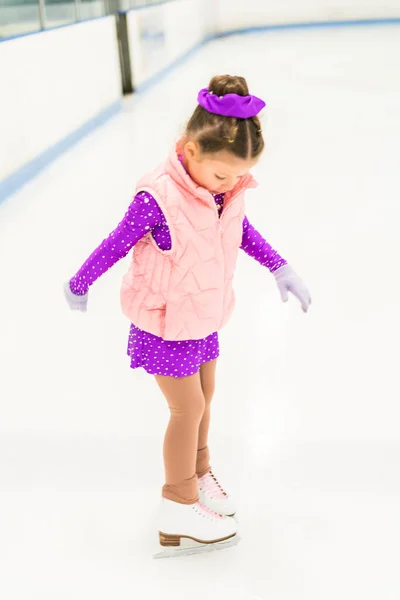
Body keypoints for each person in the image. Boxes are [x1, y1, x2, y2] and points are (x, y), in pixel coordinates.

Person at [64, 74, 311, 558]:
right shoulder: (156, 199)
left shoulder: (222, 190)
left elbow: (241, 232)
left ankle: (197, 478)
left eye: (239, 176)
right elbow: (115, 242)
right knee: (187, 408)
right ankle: (177, 504)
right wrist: (81, 280)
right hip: (163, 322)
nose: (232, 184)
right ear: (190, 150)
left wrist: (280, 266)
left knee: (207, 395)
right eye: (223, 175)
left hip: (201, 317)